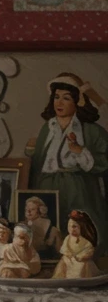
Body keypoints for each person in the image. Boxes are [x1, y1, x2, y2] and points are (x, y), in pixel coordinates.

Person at [25, 72, 108, 257]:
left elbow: (103, 162)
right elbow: (39, 162)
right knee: (51, 229)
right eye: (56, 97)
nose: (59, 103)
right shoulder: (48, 128)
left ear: (78, 101)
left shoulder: (91, 130)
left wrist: (80, 151)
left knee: (77, 229)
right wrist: (31, 151)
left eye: (66, 98)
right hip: (47, 186)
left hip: (77, 187)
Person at [53, 210, 101, 279]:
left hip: (81, 261)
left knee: (83, 265)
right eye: (69, 226)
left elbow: (89, 251)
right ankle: (63, 278)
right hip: (69, 260)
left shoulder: (86, 242)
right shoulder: (68, 238)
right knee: (63, 261)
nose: (71, 229)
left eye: (74, 227)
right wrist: (67, 253)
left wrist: (81, 257)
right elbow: (65, 248)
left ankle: (80, 280)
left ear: (82, 227)